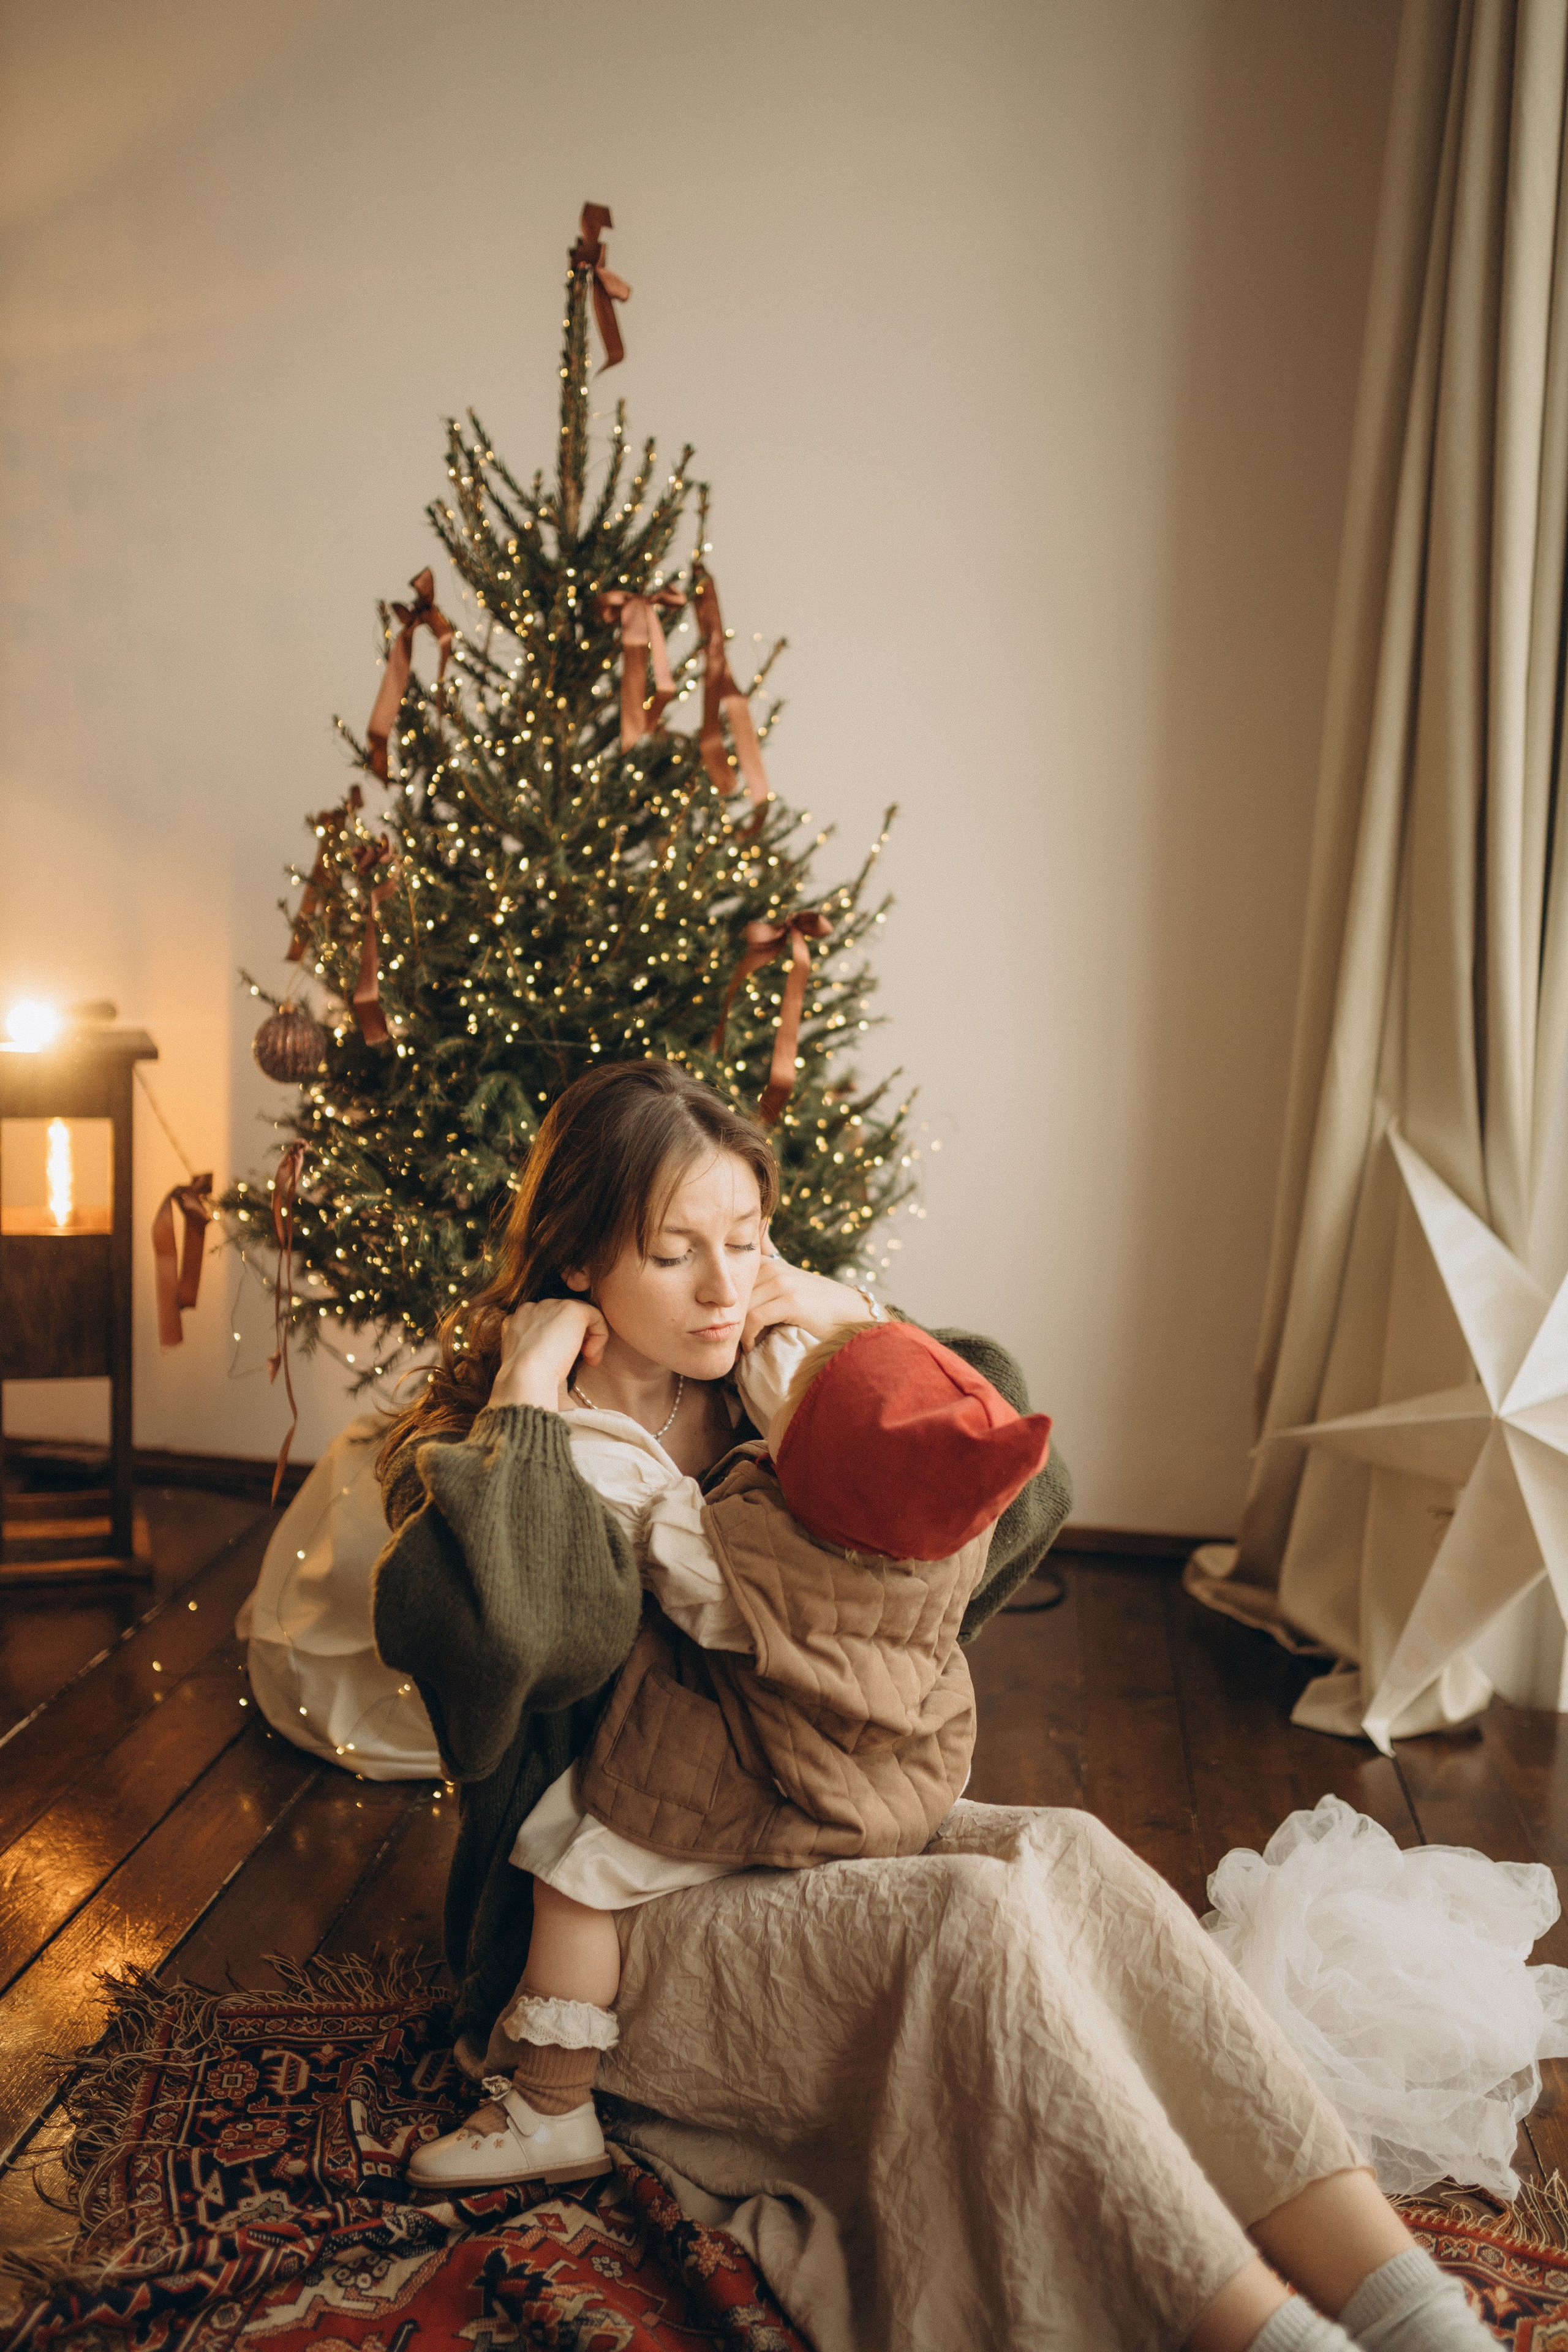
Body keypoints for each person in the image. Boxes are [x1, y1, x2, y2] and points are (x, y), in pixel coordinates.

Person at [372, 1059, 1492, 2352]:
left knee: (1066, 1853)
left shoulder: (770, 1385)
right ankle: (1259, 2336)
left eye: (748, 1239)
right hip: (609, 1928)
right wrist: (524, 1401)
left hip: (805, 1818)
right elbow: (533, 1638)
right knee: (966, 1924)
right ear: (576, 1259)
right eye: (676, 1254)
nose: (726, 1286)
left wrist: (860, 1326)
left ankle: (1409, 2307)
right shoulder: (476, 1458)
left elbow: (1023, 1490)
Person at [404, 1306, 1054, 2193]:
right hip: (895, 1766)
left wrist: (544, 1408)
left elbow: (648, 1508)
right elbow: (843, 1425)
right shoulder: (944, 1533)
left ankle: (551, 2108)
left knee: (570, 1867)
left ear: (811, 1462)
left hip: (776, 1772)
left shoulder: (749, 1563)